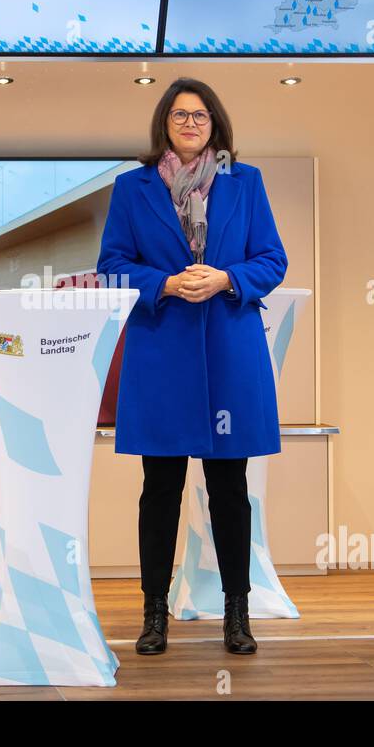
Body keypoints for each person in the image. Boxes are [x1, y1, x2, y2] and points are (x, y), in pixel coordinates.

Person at [97, 77, 288, 656]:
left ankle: (237, 614)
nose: (189, 123)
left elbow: (272, 259)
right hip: (161, 354)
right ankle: (154, 614)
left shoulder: (245, 182)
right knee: (160, 488)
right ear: (164, 124)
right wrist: (167, 283)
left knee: (230, 490)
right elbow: (112, 265)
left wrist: (229, 278)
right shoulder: (131, 188)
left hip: (230, 349)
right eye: (179, 115)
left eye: (200, 115)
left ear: (215, 124)